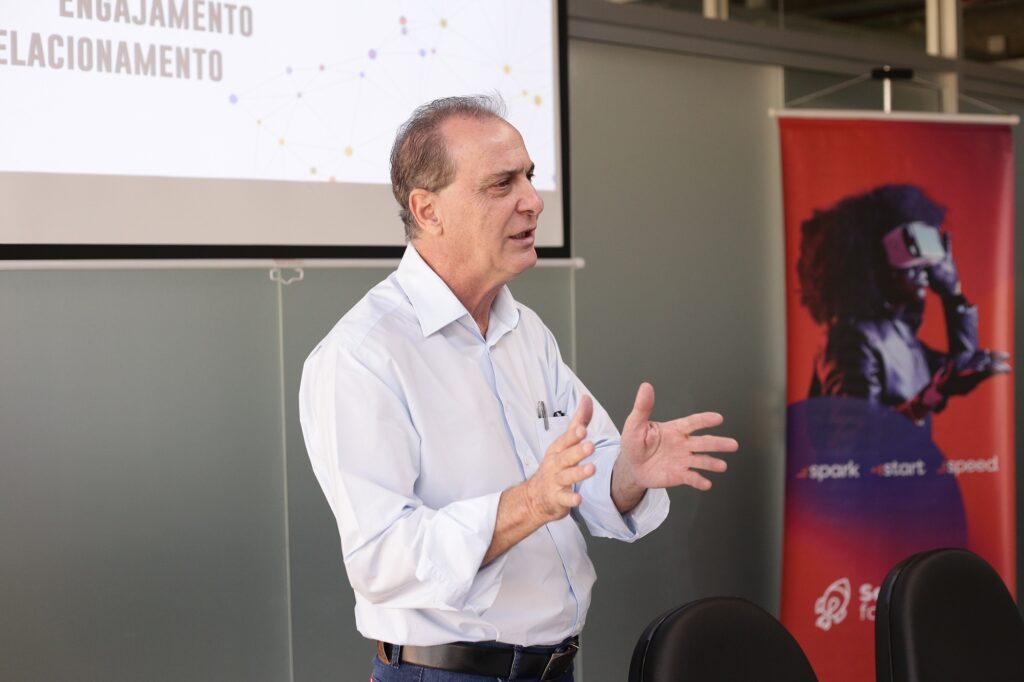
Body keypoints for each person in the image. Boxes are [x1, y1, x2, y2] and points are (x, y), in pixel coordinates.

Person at [298, 95, 738, 682]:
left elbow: (580, 474)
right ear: (427, 210)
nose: (532, 200)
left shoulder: (522, 329)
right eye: (502, 184)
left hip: (554, 668)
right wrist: (529, 502)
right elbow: (382, 559)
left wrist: (629, 471)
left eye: (529, 176)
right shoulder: (361, 356)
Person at [798, 183, 1010, 424]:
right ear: (875, 268)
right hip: (880, 464)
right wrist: (930, 397)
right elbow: (856, 439)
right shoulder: (851, 340)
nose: (925, 271)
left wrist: (953, 294)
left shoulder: (897, 334)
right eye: (912, 267)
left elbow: (962, 366)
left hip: (909, 462)